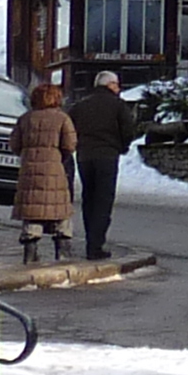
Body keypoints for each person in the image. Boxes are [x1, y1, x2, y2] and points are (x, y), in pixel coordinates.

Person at [10, 80, 81, 265]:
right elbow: (69, 145)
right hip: (54, 171)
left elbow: (14, 145)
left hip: (30, 172)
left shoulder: (25, 119)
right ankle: (63, 253)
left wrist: (29, 156)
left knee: (32, 212)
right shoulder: (62, 118)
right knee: (60, 212)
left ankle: (30, 253)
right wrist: (59, 157)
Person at [66, 69, 131, 258]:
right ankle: (95, 245)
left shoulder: (80, 105)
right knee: (103, 201)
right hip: (107, 156)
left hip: (85, 157)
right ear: (110, 85)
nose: (118, 89)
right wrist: (121, 146)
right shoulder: (118, 105)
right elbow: (128, 129)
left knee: (89, 198)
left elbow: (69, 129)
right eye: (116, 84)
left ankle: (90, 238)